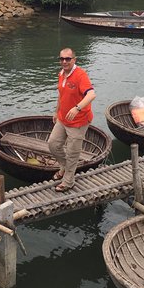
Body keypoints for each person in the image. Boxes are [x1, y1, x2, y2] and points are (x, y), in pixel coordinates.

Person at [48, 48, 96, 192]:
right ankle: (64, 166)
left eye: (67, 59)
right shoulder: (61, 74)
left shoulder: (80, 75)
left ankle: (68, 182)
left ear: (74, 60)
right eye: (61, 59)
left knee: (72, 152)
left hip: (79, 121)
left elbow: (91, 94)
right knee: (53, 144)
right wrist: (57, 112)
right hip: (63, 118)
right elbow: (61, 95)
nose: (64, 61)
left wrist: (77, 108)